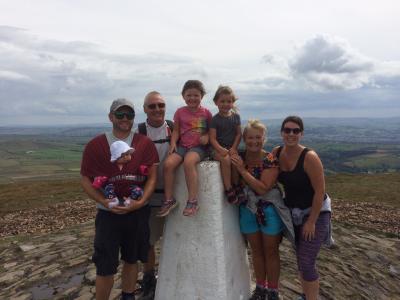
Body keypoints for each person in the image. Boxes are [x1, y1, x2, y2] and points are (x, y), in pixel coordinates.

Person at [80, 98, 159, 300]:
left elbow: (152, 176)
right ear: (110, 117)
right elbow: (86, 179)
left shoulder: (144, 144)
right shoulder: (96, 145)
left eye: (129, 115)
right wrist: (104, 201)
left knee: (132, 259)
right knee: (105, 266)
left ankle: (128, 296)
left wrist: (141, 202)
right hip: (108, 215)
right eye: (120, 114)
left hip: (137, 212)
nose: (125, 119)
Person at [273, 116, 332, 300]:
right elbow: (263, 170)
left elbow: (320, 191)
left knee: (306, 262)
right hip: (294, 214)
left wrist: (312, 222)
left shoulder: (310, 157)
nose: (291, 134)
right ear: (281, 132)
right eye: (287, 130)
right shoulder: (276, 152)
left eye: (295, 130)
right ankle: (306, 295)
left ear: (301, 134)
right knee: (301, 260)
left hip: (316, 213)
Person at [231, 120, 284, 300]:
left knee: (271, 251)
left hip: (268, 210)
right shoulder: (239, 155)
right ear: (244, 138)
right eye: (250, 137)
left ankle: (273, 290)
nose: (254, 141)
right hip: (247, 209)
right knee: (256, 250)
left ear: (264, 138)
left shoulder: (270, 159)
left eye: (258, 137)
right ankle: (261, 288)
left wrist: (242, 170)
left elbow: (263, 188)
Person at [135, 91, 173, 300]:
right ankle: (149, 279)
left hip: (173, 196)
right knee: (148, 241)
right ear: (145, 109)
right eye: (152, 106)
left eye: (161, 105)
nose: (157, 109)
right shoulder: (139, 132)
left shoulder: (175, 128)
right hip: (149, 197)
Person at [157, 80, 212, 217]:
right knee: (168, 164)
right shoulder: (180, 112)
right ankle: (169, 199)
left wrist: (207, 135)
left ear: (202, 96)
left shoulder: (206, 113)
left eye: (196, 95)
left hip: (199, 147)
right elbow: (176, 130)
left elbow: (212, 131)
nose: (192, 98)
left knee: (188, 162)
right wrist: (173, 143)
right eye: (189, 95)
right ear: (183, 96)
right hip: (183, 145)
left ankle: (192, 201)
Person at [209, 85, 242, 204]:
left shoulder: (236, 117)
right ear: (216, 102)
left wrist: (234, 148)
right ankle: (228, 189)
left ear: (233, 103)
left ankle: (236, 185)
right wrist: (220, 149)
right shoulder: (215, 119)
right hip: (216, 149)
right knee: (226, 160)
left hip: (230, 148)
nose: (225, 104)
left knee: (235, 160)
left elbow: (239, 134)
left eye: (229, 101)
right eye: (222, 101)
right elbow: (212, 138)